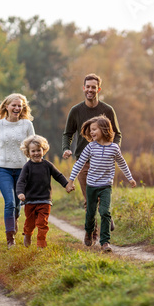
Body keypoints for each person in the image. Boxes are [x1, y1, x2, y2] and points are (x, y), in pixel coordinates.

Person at [62, 73, 121, 237]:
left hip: (103, 161)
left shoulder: (107, 110)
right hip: (84, 161)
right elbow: (68, 133)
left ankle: (106, 216)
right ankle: (92, 233)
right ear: (83, 88)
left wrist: (113, 151)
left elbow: (117, 134)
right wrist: (66, 148)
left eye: (93, 87)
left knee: (103, 197)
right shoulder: (76, 111)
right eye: (87, 87)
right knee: (89, 200)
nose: (90, 90)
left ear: (98, 89)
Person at [67, 115, 136, 252]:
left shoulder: (114, 148)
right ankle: (89, 231)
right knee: (90, 214)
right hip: (91, 185)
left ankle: (105, 242)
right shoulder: (90, 147)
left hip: (106, 186)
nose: (91, 132)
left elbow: (122, 163)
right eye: (90, 130)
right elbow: (79, 164)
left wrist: (130, 178)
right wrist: (70, 180)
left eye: (94, 129)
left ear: (104, 129)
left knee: (105, 212)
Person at [0, 93, 35, 249]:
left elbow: (33, 144)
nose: (17, 108)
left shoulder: (26, 125)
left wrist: (36, 165)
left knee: (17, 205)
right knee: (10, 202)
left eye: (20, 106)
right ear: (6, 106)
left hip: (22, 170)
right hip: (2, 168)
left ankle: (14, 220)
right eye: (14, 105)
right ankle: (10, 238)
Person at [16, 135, 73, 248]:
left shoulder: (47, 165)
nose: (36, 153)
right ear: (28, 152)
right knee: (30, 223)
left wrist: (66, 185)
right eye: (33, 151)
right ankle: (27, 234)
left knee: (42, 223)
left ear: (44, 150)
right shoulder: (27, 167)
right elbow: (21, 181)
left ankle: (41, 244)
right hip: (30, 201)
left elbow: (58, 175)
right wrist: (20, 193)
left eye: (39, 150)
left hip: (45, 200)